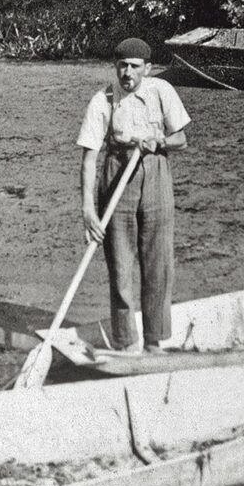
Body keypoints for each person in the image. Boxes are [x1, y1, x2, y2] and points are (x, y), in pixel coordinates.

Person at [76, 37, 191, 353]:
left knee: (158, 262)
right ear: (116, 67)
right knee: (121, 265)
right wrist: (88, 210)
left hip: (155, 174)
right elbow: (88, 159)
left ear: (148, 68)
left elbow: (181, 138)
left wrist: (159, 141)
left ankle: (154, 341)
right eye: (122, 66)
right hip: (116, 177)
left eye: (135, 67)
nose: (128, 72)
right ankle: (126, 341)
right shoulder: (104, 99)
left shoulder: (162, 92)